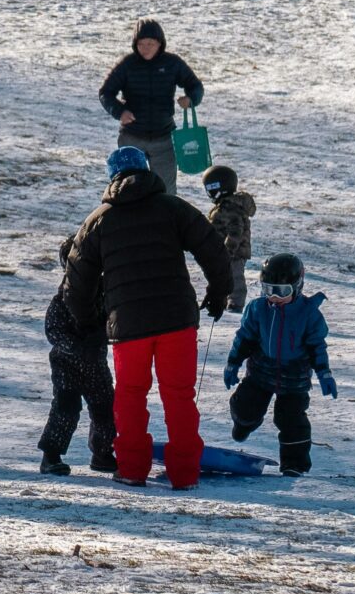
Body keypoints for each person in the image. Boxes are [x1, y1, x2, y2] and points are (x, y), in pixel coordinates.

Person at [61, 144, 230, 488]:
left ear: (112, 176)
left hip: (128, 325)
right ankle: (184, 474)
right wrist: (218, 291)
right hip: (177, 320)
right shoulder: (173, 208)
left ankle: (133, 468)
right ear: (147, 169)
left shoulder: (98, 221)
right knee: (179, 395)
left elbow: (77, 279)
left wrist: (85, 319)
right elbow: (211, 245)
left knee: (130, 395)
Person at [224, 253, 334, 476]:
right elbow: (245, 338)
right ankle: (243, 424)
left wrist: (324, 373)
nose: (274, 296)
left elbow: (316, 346)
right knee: (245, 406)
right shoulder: (258, 309)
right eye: (268, 289)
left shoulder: (309, 314)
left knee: (291, 420)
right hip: (261, 372)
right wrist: (233, 363)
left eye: (282, 291)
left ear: (297, 287)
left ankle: (295, 465)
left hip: (295, 378)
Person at [36, 226, 115, 478]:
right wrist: (77, 347)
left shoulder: (103, 294)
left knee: (106, 409)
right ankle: (51, 455)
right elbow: (54, 330)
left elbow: (113, 321)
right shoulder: (62, 298)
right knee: (65, 408)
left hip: (96, 364)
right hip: (66, 364)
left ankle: (102, 453)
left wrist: (103, 337)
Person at [98, 19, 204, 193]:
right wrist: (119, 111)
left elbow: (196, 86)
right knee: (128, 188)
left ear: (159, 44)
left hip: (164, 138)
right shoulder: (127, 64)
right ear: (135, 44)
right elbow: (105, 92)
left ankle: (165, 220)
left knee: (166, 190)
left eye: (150, 43)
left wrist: (191, 99)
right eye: (141, 43)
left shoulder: (172, 63)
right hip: (132, 138)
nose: (145, 48)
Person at [202, 164, 257, 312]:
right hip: (224, 252)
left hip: (233, 253)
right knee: (224, 276)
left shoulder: (230, 208)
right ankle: (225, 300)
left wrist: (227, 251)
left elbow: (235, 232)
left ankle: (236, 303)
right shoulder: (224, 206)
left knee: (235, 277)